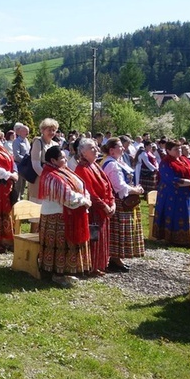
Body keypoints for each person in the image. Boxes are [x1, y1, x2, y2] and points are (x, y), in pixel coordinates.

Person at [37, 146, 92, 287]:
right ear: (53, 160)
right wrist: (83, 200)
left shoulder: (63, 171)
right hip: (55, 216)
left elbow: (81, 186)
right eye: (62, 158)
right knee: (59, 245)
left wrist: (85, 197)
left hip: (68, 214)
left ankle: (67, 270)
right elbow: (67, 196)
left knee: (68, 244)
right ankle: (56, 274)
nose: (65, 159)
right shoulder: (51, 176)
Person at [102, 137, 145, 271]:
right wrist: (135, 190)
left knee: (122, 231)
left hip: (124, 201)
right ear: (112, 150)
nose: (123, 148)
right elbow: (119, 186)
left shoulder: (116, 162)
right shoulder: (112, 164)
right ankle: (114, 259)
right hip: (120, 201)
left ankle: (117, 259)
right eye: (120, 146)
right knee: (119, 231)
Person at [74, 138, 115, 277]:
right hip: (93, 210)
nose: (96, 150)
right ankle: (91, 266)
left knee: (102, 238)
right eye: (92, 148)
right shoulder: (82, 168)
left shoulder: (95, 165)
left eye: (96, 147)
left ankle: (100, 265)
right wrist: (104, 206)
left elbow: (107, 186)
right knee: (94, 238)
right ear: (83, 153)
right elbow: (90, 192)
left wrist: (112, 203)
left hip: (104, 208)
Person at [152, 140, 190, 246]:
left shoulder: (185, 160)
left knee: (186, 214)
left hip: (187, 193)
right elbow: (171, 179)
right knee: (175, 215)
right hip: (172, 194)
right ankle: (173, 238)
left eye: (180, 148)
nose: (179, 150)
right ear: (168, 150)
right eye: (176, 149)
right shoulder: (165, 163)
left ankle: (187, 238)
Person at [29, 119, 60, 203]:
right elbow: (35, 164)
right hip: (39, 179)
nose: (52, 132)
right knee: (38, 204)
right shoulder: (38, 142)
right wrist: (47, 178)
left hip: (53, 179)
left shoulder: (56, 144)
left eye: (54, 130)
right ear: (42, 130)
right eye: (49, 130)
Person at [12, 123, 31, 201]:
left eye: (28, 131)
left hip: (26, 166)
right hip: (19, 166)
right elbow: (16, 156)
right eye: (25, 131)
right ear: (20, 132)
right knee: (18, 185)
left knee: (24, 185)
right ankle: (16, 201)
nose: (27, 133)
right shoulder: (16, 142)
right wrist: (27, 159)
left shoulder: (26, 140)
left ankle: (22, 199)